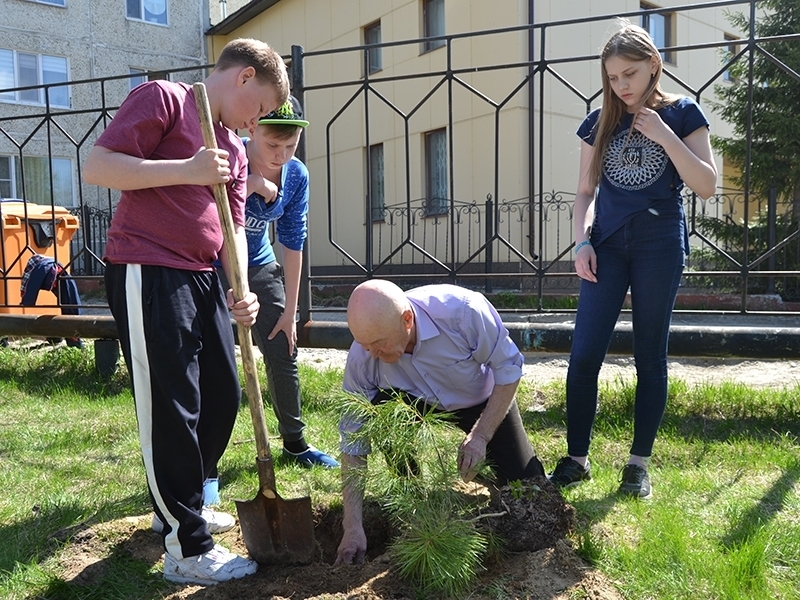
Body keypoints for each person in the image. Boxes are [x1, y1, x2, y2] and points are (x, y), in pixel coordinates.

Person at [82, 38, 289, 585]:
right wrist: (188, 169)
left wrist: (239, 285)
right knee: (171, 403)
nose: (256, 123)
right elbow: (98, 167)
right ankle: (187, 548)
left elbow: (235, 230)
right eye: (261, 108)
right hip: (147, 268)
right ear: (244, 78)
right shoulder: (165, 99)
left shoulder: (238, 153)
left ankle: (179, 507)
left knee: (221, 395)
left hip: (201, 276)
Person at [547, 22, 717, 499]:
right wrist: (580, 242)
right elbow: (584, 193)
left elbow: (706, 184)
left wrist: (664, 134)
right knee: (583, 355)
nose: (622, 85)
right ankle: (576, 459)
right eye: (613, 77)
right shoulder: (599, 120)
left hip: (659, 244)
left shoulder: (683, 113)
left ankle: (637, 465)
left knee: (649, 356)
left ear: (653, 66)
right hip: (606, 246)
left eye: (630, 73)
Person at [335, 279, 546, 565]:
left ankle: (486, 469)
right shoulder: (364, 355)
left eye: (379, 344)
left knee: (528, 489)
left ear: (407, 319)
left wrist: (481, 436)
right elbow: (353, 440)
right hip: (412, 402)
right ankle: (410, 498)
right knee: (381, 412)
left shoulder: (463, 312)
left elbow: (509, 368)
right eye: (364, 344)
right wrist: (352, 527)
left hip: (478, 400)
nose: (372, 353)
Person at [215, 95, 339, 469]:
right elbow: (205, 209)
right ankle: (208, 464)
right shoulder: (230, 154)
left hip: (260, 264)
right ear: (252, 128)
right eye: (272, 144)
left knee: (283, 348)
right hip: (213, 264)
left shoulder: (297, 175)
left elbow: (292, 238)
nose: (282, 154)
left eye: (291, 145)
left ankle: (295, 444)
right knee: (215, 360)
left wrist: (291, 312)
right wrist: (248, 183)